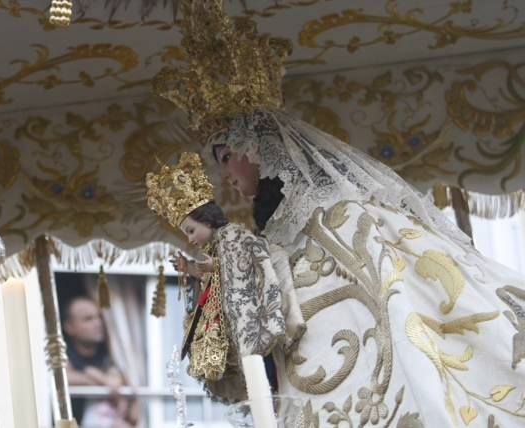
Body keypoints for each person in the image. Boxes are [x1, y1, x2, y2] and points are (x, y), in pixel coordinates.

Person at [152, 1, 525, 426]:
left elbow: (379, 298)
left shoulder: (341, 215)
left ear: (250, 148)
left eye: (225, 158)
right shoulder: (282, 231)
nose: (226, 178)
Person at [146, 152, 300, 403]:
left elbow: (236, 266)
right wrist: (192, 270)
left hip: (248, 318)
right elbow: (214, 271)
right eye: (187, 233)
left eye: (192, 230)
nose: (191, 238)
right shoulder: (215, 247)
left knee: (265, 376)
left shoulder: (231, 236)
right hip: (227, 321)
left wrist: (202, 267)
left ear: (207, 220)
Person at [62, 295, 138, 427]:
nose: (98, 323)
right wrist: (100, 379)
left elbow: (132, 411)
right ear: (69, 327)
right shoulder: (62, 354)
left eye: (99, 317)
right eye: (88, 319)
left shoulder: (114, 354)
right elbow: (61, 378)